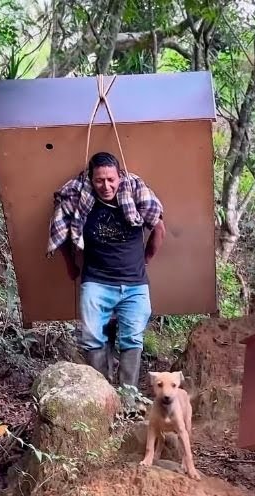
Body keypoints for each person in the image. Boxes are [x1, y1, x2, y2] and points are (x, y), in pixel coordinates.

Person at [49, 152, 166, 389]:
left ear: (119, 177)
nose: (106, 186)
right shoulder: (80, 200)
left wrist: (147, 259)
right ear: (91, 180)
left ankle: (128, 396)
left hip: (134, 284)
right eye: (99, 180)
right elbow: (61, 236)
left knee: (132, 337)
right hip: (96, 282)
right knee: (91, 338)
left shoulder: (135, 196)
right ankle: (102, 394)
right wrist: (71, 267)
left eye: (111, 179)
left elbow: (159, 229)